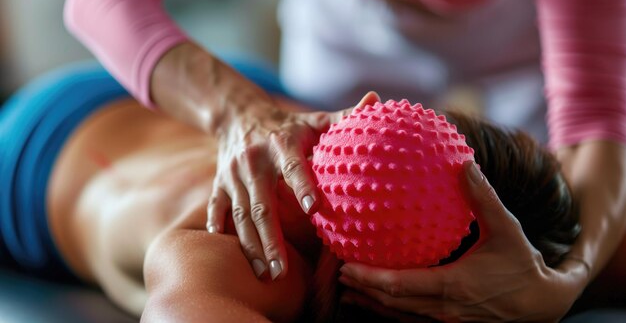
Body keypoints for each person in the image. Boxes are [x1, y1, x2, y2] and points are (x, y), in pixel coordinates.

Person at [63, 0, 626, 320]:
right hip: (70, 123)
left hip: (254, 96)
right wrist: (243, 114)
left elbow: (596, 118)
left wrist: (563, 282)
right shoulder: (240, 255)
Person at [0, 62, 589, 322]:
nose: (366, 108)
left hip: (253, 83)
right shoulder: (246, 252)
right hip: (39, 141)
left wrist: (562, 284)